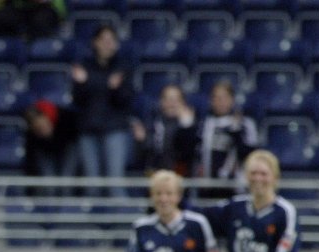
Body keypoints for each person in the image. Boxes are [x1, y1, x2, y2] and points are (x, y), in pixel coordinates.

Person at [71, 24, 134, 196]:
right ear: (95, 42)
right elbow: (77, 100)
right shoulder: (84, 65)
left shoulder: (123, 66)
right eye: (104, 40)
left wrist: (93, 83)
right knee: (92, 185)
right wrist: (99, 84)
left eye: (111, 40)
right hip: (88, 129)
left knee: (115, 183)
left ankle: (120, 214)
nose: (108, 44)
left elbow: (126, 99)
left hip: (115, 128)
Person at [195, 80, 258, 199]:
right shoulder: (204, 124)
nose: (220, 102)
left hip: (235, 187)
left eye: (224, 98)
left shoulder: (245, 124)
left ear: (232, 99)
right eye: (216, 98)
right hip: (208, 186)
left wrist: (236, 131)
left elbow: (250, 155)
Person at [132, 84, 197, 178]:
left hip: (182, 175)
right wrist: (142, 141)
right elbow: (146, 155)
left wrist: (186, 125)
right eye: (168, 99)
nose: (172, 104)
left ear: (183, 102)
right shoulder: (152, 122)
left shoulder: (190, 124)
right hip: (157, 175)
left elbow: (188, 153)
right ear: (161, 101)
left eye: (175, 100)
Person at [23, 99, 78, 182]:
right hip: (46, 151)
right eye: (38, 129)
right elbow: (30, 160)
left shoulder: (66, 120)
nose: (42, 130)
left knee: (66, 178)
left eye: (43, 126)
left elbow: (73, 140)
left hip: (67, 148)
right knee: (48, 179)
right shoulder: (32, 137)